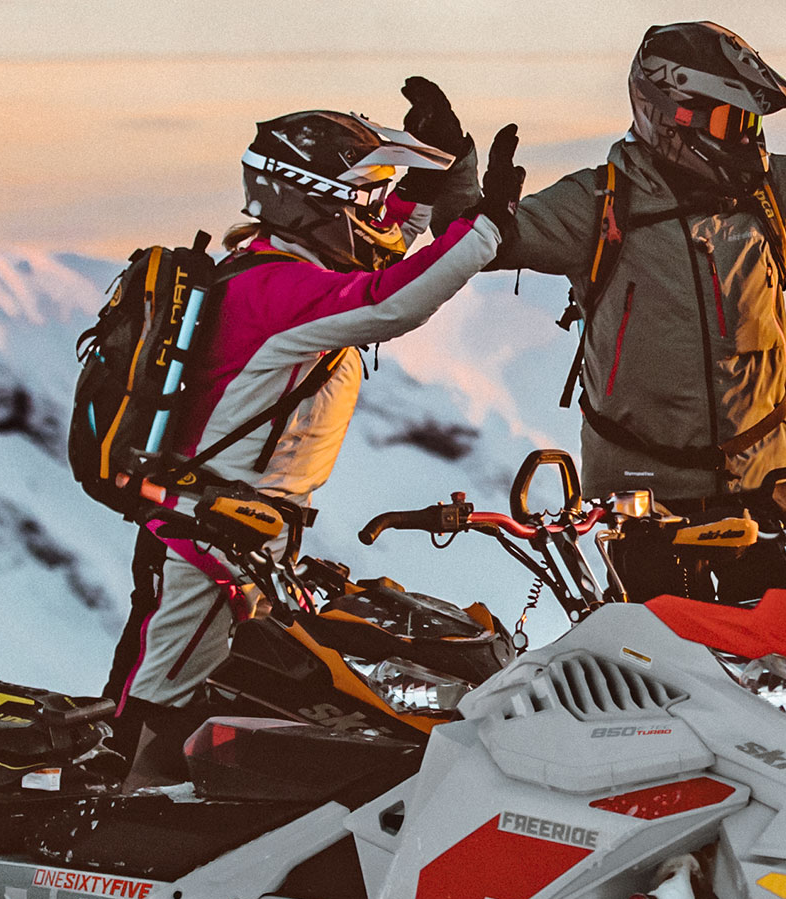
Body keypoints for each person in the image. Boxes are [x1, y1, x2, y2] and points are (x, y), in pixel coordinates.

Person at [102, 80, 528, 777]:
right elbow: (393, 300)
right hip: (208, 539)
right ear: (312, 200)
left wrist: (443, 165)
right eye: (363, 198)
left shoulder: (294, 270)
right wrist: (484, 229)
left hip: (246, 536)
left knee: (226, 693)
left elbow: (396, 242)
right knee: (160, 704)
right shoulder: (273, 291)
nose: (378, 214)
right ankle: (104, 844)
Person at [498, 13, 786, 518]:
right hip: (641, 507)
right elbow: (485, 242)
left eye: (751, 121)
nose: (746, 139)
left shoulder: (773, 192)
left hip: (766, 493)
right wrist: (459, 189)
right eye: (729, 120)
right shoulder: (599, 203)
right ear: (670, 115)